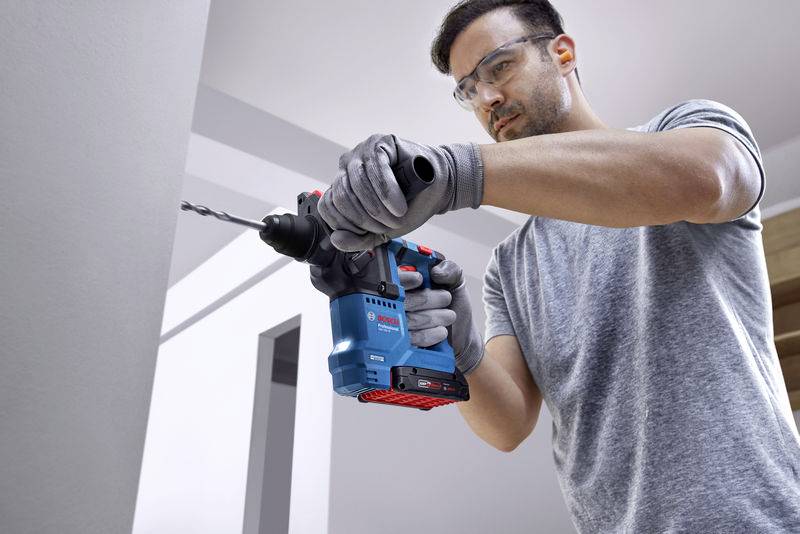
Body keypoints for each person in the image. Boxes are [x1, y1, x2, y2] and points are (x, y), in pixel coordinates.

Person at [316, 1, 800, 531]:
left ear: (562, 53)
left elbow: (711, 179)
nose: (488, 99)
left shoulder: (684, 130)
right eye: (469, 91)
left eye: (498, 67)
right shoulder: (511, 263)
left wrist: (458, 172)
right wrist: (460, 349)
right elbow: (508, 425)